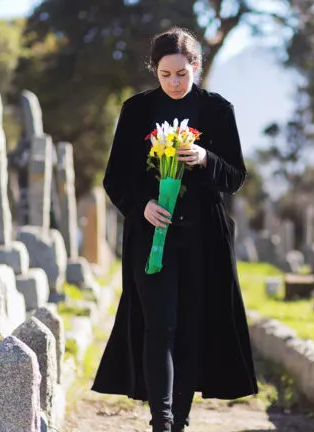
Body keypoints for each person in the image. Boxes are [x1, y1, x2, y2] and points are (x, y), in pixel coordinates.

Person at [91, 27, 258, 432]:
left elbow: (235, 177)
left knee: (190, 329)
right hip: (152, 239)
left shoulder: (219, 110)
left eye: (182, 73)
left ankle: (179, 419)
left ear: (196, 66)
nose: (174, 82)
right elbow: (115, 179)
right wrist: (142, 206)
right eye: (166, 75)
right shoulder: (135, 111)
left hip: (205, 240)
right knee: (159, 325)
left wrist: (205, 157)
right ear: (155, 71)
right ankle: (161, 421)